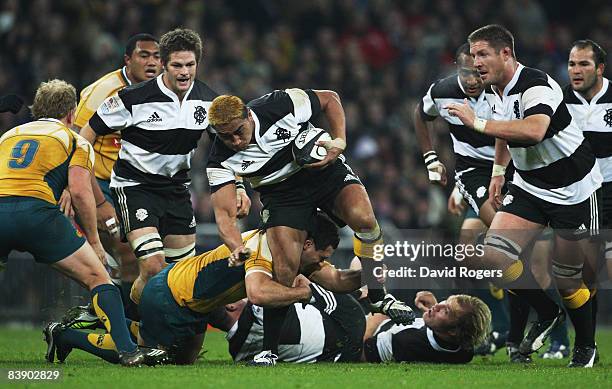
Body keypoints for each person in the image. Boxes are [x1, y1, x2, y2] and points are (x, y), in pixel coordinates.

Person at [206, 89, 414, 364]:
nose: (234, 141)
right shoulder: (218, 159)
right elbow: (224, 217)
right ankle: (269, 350)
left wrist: (338, 141)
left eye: (238, 131)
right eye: (225, 136)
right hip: (281, 195)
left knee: (365, 220)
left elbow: (330, 98)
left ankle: (377, 295)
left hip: (322, 172)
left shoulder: (279, 104)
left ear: (248, 114)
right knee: (284, 269)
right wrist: (236, 247)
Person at [447, 24, 602, 367]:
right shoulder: (495, 90)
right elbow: (505, 130)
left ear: (506, 53)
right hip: (530, 186)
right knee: (493, 260)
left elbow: (533, 130)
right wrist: (499, 173)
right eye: (473, 56)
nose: (477, 62)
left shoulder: (536, 85)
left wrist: (478, 124)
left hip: (573, 190)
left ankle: (585, 346)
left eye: (483, 54)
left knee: (567, 279)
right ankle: (546, 313)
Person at [45, 212, 362, 365]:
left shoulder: (290, 251)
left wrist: (372, 272)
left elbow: (337, 281)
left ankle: (101, 319)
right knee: (148, 354)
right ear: (307, 244)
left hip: (187, 296)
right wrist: (304, 294)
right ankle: (66, 334)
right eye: (322, 256)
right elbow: (258, 295)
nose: (323, 262)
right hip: (171, 295)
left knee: (183, 362)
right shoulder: (265, 247)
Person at [0, 79, 166, 366]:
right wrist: (94, 242)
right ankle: (128, 351)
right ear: (71, 113)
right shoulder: (75, 139)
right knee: (99, 279)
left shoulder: (9, 135)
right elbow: (80, 191)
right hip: (39, 215)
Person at [80, 28, 250, 305]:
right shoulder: (133, 98)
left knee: (178, 275)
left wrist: (240, 186)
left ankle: (136, 317)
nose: (185, 72)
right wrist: (77, 175)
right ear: (163, 64)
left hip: (176, 190)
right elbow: (87, 133)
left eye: (190, 65)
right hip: (135, 187)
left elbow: (228, 147)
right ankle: (134, 321)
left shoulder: (208, 101)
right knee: (153, 266)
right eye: (177, 65)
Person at [74, 33, 162, 317]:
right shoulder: (105, 90)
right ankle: (119, 318)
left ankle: (114, 315)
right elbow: (75, 140)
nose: (151, 62)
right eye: (143, 55)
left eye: (157, 56)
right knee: (127, 251)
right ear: (128, 59)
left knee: (143, 257)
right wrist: (93, 199)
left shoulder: (161, 92)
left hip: (136, 184)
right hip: (100, 184)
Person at [564, 39, 611, 361]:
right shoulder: (559, 101)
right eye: (571, 64)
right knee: (587, 272)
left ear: (600, 68)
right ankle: (587, 345)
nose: (576, 71)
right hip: (583, 194)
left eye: (583, 64)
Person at [218, 288, 366, 363]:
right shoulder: (260, 306)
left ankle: (370, 292)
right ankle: (374, 295)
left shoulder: (238, 352)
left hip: (337, 355)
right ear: (230, 305)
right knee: (368, 267)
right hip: (348, 325)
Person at [363, 291, 491, 364]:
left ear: (453, 331)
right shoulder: (464, 351)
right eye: (445, 301)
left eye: (446, 311)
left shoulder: (405, 342)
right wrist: (435, 310)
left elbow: (358, 351)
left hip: (357, 332)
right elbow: (442, 340)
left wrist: (380, 311)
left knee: (361, 269)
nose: (437, 306)